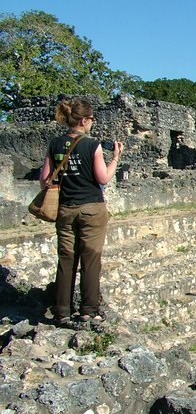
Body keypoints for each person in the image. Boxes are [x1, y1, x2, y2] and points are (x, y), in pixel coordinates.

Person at [39, 98, 124, 327]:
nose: (92, 124)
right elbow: (103, 178)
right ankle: (89, 310)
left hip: (66, 208)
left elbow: (44, 180)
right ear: (84, 120)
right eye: (92, 119)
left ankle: (62, 311)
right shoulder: (92, 145)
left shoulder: (55, 144)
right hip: (91, 208)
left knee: (66, 259)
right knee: (91, 259)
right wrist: (115, 158)